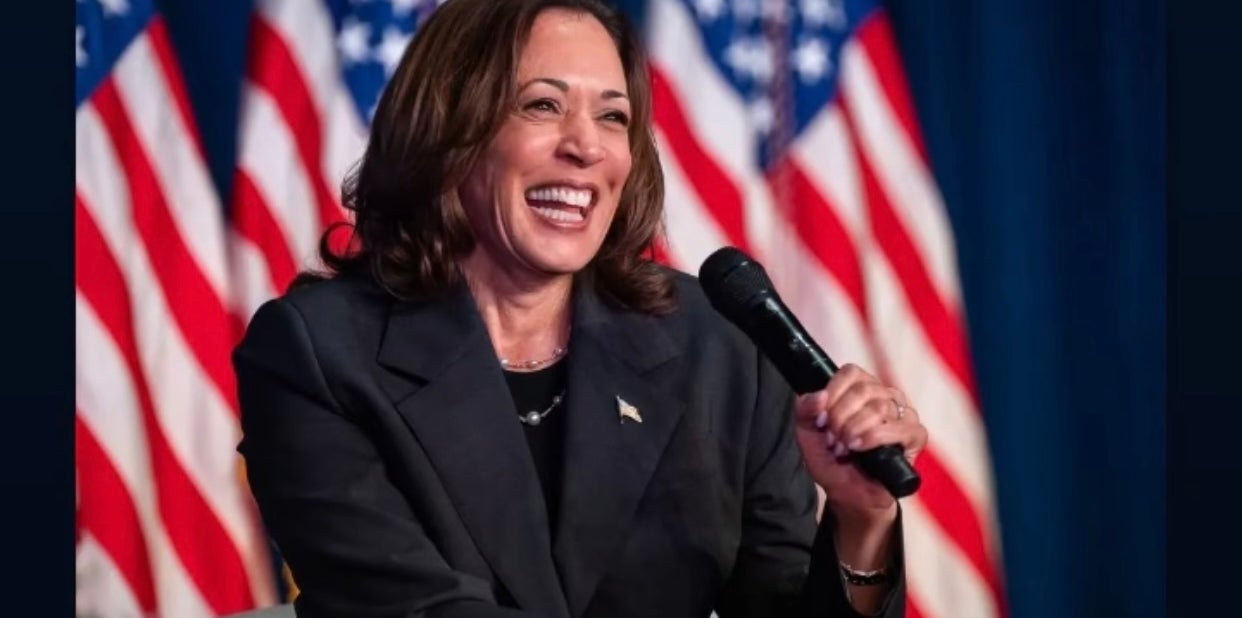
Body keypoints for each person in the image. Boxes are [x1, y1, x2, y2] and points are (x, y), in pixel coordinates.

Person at [233, 0, 929, 616]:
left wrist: (860, 518)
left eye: (613, 115)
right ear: (448, 130)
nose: (586, 146)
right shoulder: (317, 353)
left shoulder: (717, 350)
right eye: (541, 105)